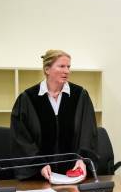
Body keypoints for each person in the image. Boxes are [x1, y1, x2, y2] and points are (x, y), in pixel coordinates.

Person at [10, 50, 98, 180]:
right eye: (61, 66)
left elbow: (88, 132)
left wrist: (82, 160)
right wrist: (38, 164)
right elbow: (21, 138)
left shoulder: (80, 96)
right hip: (39, 176)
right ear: (47, 69)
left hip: (74, 173)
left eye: (68, 67)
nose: (67, 71)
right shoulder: (28, 98)